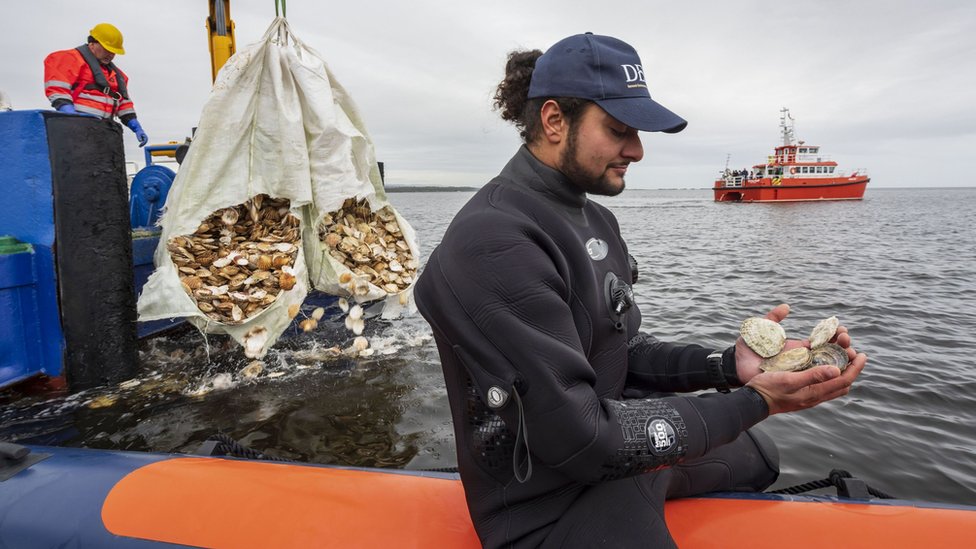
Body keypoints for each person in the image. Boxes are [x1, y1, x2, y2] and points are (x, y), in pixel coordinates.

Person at [414, 32, 866, 548]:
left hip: (611, 466)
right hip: (546, 514)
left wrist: (727, 367)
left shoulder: (595, 219)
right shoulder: (494, 240)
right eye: (619, 130)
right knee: (745, 428)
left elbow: (622, 352)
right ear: (555, 121)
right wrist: (758, 401)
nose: (638, 150)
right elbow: (582, 438)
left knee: (761, 454)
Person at [43, 23, 149, 147]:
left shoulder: (118, 76)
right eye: (107, 49)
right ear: (92, 43)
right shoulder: (69, 59)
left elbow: (123, 103)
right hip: (76, 131)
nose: (111, 54)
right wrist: (71, 118)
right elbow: (58, 90)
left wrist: (136, 127)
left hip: (104, 132)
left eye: (114, 52)